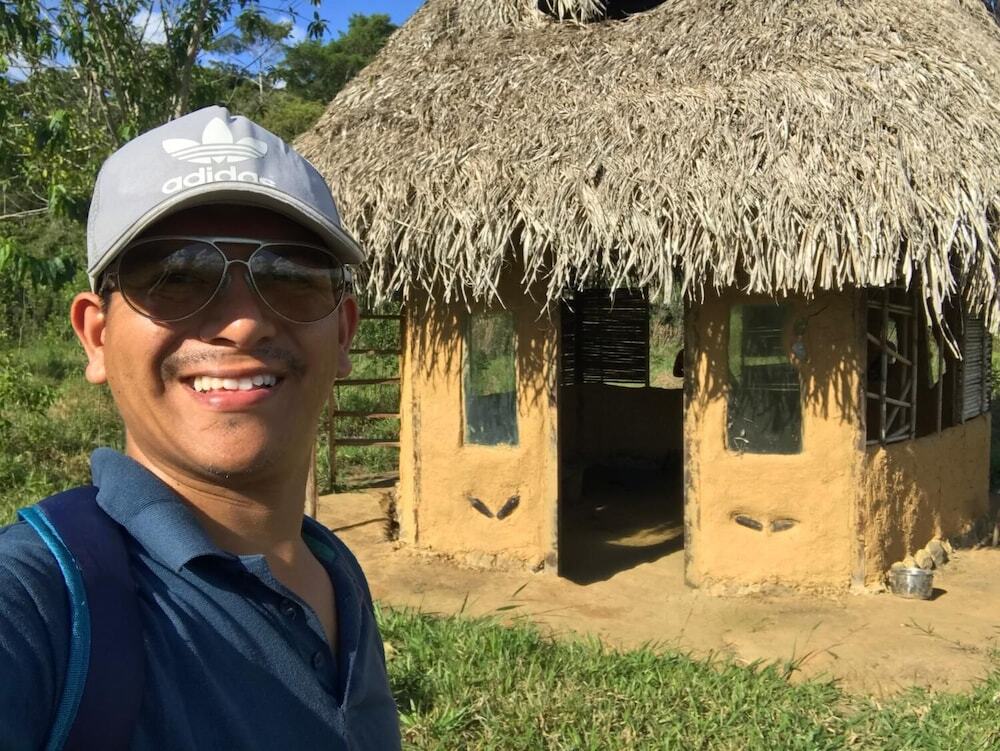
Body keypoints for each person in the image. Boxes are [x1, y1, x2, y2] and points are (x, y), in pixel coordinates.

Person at [0, 107, 402, 749]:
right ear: (97, 337)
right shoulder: (35, 603)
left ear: (344, 333)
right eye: (176, 277)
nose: (243, 323)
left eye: (290, 276)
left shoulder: (333, 570)